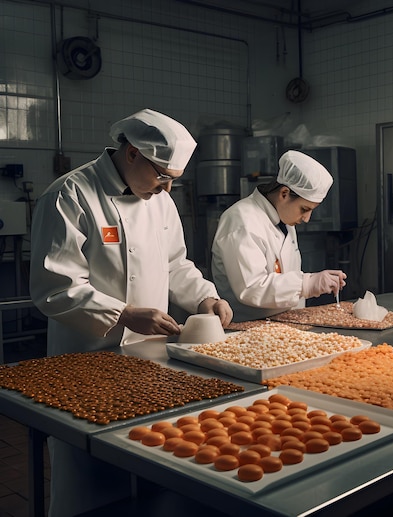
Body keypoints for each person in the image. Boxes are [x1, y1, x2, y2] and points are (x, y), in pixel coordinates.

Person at [29, 108, 233, 516]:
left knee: (151, 461)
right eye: (162, 175)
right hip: (86, 360)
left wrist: (204, 298)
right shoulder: (72, 194)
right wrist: (123, 314)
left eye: (174, 179)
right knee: (87, 480)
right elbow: (55, 287)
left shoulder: (160, 202)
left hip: (150, 360)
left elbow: (176, 263)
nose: (167, 188)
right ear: (134, 153)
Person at [211, 150, 347, 322]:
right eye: (304, 209)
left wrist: (311, 280)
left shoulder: (283, 220)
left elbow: (285, 275)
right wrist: (306, 283)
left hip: (284, 323)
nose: (306, 219)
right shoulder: (241, 220)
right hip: (246, 328)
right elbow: (251, 288)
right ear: (284, 194)